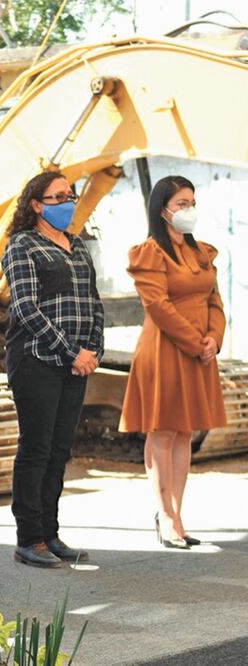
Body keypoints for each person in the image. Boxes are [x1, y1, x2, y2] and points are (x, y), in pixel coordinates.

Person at [1, 171, 104, 568]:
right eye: (58, 197)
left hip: (75, 363)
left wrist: (92, 350)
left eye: (70, 195)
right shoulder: (22, 245)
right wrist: (71, 352)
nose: (67, 202)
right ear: (36, 204)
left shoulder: (77, 246)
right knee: (36, 449)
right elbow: (26, 308)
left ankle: (50, 533)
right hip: (37, 360)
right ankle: (29, 539)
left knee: (60, 451)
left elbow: (93, 303)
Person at [119, 176, 226, 549]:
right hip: (165, 349)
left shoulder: (201, 252)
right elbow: (158, 306)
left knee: (184, 432)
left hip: (200, 350)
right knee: (163, 431)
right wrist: (196, 343)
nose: (189, 210)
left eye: (191, 203)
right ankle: (164, 516)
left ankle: (177, 516)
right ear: (162, 209)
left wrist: (214, 339)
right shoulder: (149, 253)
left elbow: (214, 301)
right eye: (182, 203)